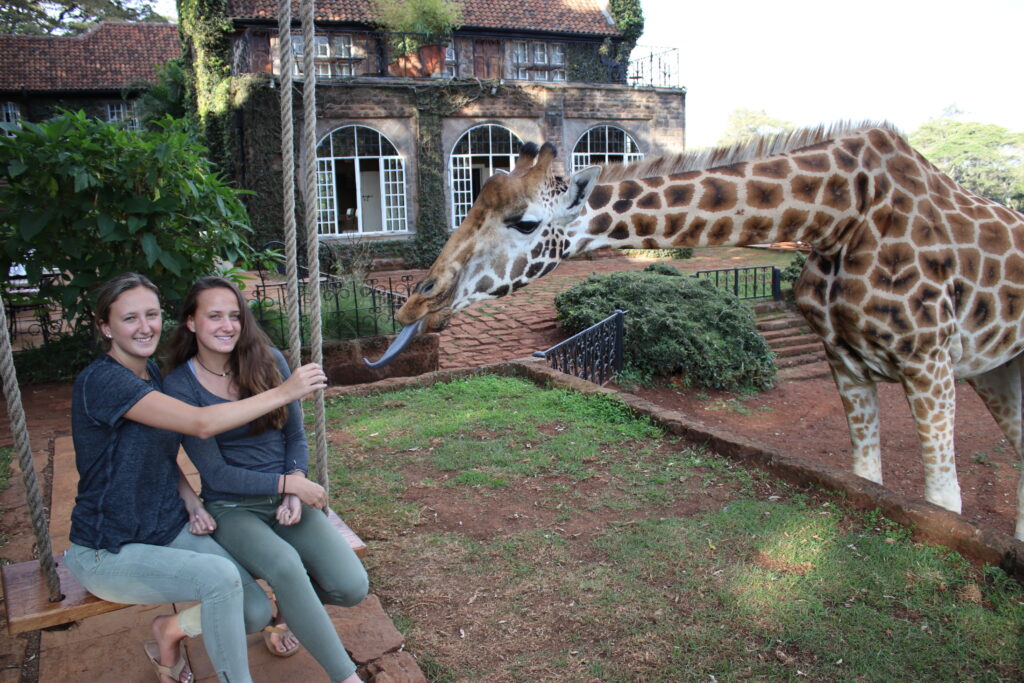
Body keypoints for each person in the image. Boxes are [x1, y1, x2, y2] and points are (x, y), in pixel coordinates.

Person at [63, 273, 329, 683]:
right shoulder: (102, 381)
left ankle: (166, 630)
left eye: (151, 315)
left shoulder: (151, 374)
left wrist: (188, 498)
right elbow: (201, 424)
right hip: (109, 546)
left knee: (255, 611)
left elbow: (153, 453)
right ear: (106, 327)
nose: (144, 326)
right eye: (129, 318)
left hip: (165, 525)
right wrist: (284, 392)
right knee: (220, 579)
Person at [163, 276, 368, 683]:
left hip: (284, 500)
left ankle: (286, 614)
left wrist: (294, 477)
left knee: (351, 586)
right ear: (191, 323)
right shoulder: (180, 386)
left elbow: (294, 435)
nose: (227, 325)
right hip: (232, 506)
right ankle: (346, 677)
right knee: (287, 565)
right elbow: (216, 473)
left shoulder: (269, 360)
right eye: (214, 316)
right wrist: (289, 485)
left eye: (234, 316)